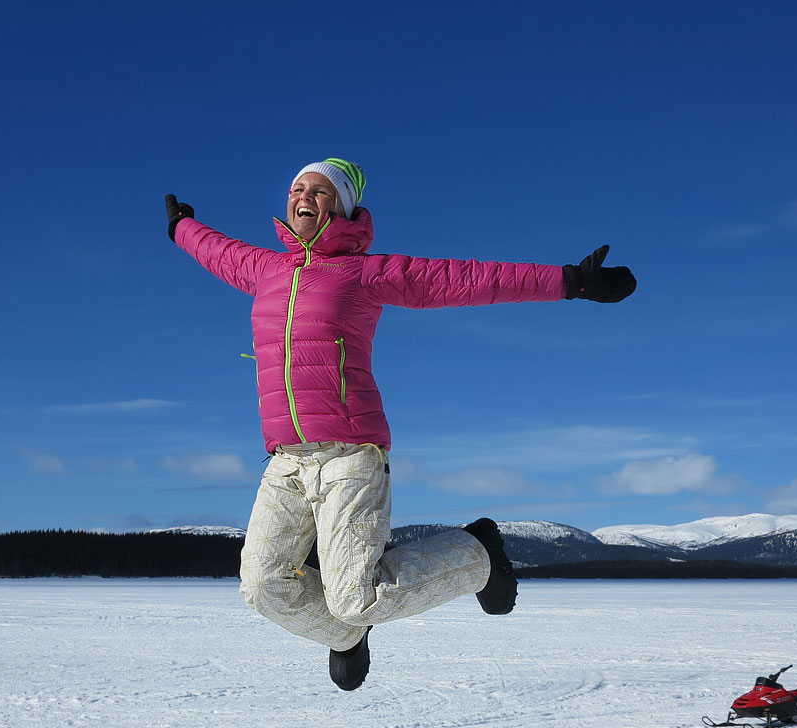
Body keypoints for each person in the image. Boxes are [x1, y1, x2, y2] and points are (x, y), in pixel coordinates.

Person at [166, 158, 634, 690]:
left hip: (350, 455)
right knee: (263, 586)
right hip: (285, 461)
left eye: (321, 190)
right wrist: (182, 226)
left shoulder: (366, 272)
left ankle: (476, 553)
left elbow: (465, 279)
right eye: (298, 187)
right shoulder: (267, 270)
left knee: (354, 595)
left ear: (342, 206)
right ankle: (345, 636)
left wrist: (570, 281)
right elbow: (216, 250)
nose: (305, 195)